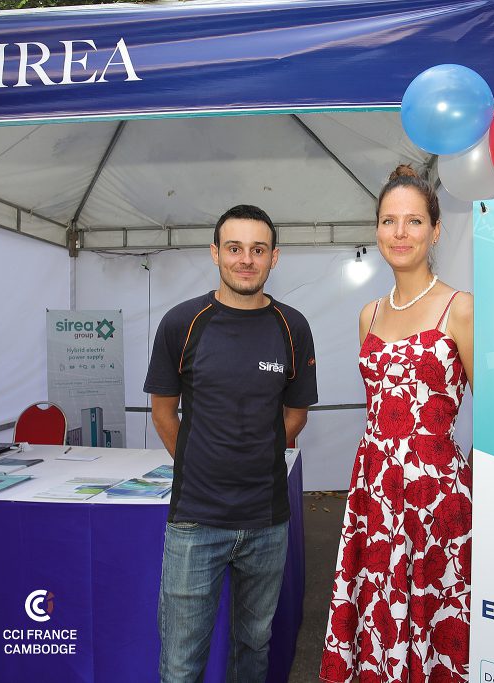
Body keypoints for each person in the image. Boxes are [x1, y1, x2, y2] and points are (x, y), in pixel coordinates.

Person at [145, 204, 318, 683]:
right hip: (195, 522)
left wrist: (254, 455)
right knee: (181, 663)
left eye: (257, 250)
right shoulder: (182, 323)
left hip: (266, 522)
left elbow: (295, 415)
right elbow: (163, 413)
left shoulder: (293, 326)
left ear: (274, 257)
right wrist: (204, 463)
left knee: (253, 648)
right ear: (215, 253)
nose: (246, 259)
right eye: (235, 248)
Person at [320, 165, 474, 682]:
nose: (400, 233)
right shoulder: (369, 314)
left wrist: (466, 490)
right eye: (389, 221)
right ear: (377, 229)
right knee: (382, 616)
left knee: (440, 625)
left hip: (438, 496)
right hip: (375, 492)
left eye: (413, 221)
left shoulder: (461, 309)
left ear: (435, 229)